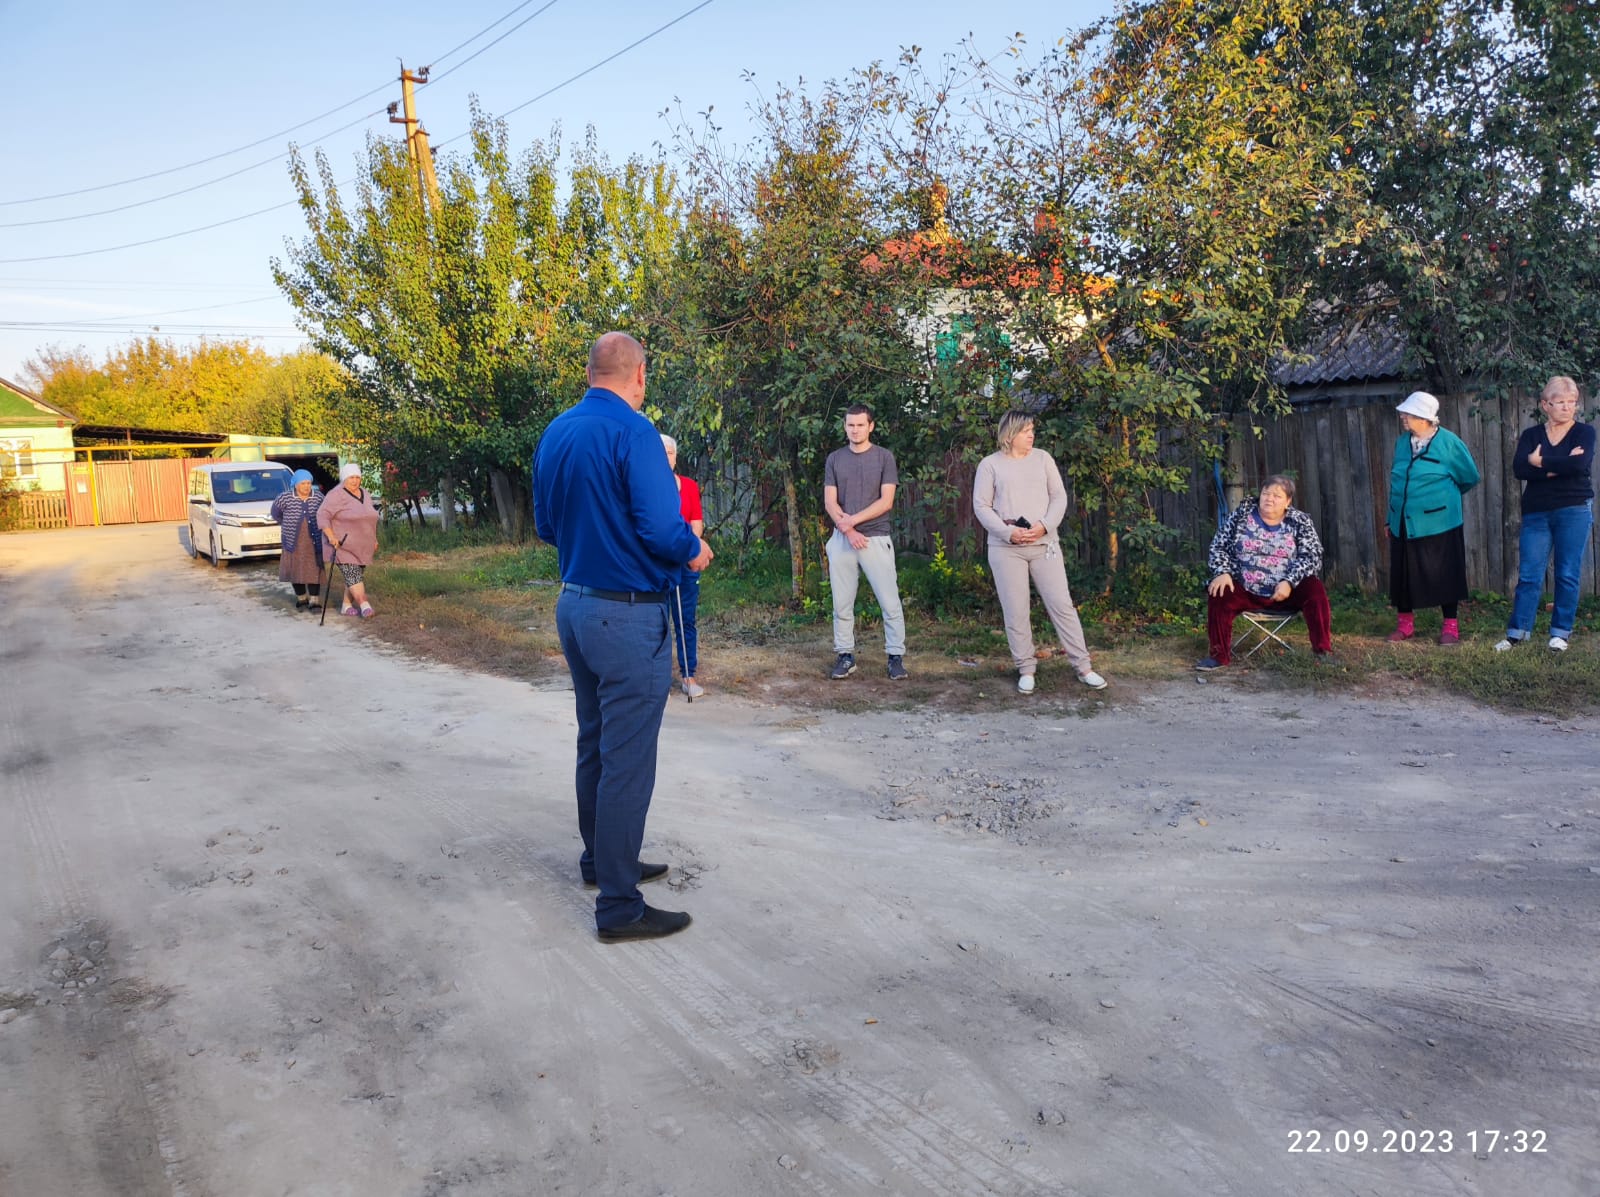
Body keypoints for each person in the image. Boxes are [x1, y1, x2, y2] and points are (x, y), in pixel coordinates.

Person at [533, 332, 713, 943]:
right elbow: (663, 529)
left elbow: (545, 525)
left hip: (575, 605)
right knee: (628, 761)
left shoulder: (557, 431)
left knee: (596, 743)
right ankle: (618, 906)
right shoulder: (635, 431)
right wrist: (694, 549)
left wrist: (596, 546)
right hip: (627, 615)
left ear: (591, 372)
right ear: (638, 375)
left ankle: (601, 862)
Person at [972, 409, 1107, 692]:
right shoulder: (990, 465)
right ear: (1010, 435)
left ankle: (1083, 666)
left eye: (1032, 429)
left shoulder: (1043, 458)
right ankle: (1026, 668)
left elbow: (1058, 496)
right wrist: (1008, 532)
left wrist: (1044, 526)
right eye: (1025, 430)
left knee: (1062, 605)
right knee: (1016, 610)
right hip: (1006, 548)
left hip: (1045, 545)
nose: (1031, 435)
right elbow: (981, 506)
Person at [1496, 375, 1594, 653]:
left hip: (1573, 509)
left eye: (1572, 402)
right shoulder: (1531, 435)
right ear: (1544, 404)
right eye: (1560, 402)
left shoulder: (1584, 433)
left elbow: (1580, 466)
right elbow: (1520, 470)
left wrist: (1541, 462)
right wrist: (1560, 465)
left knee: (1567, 573)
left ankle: (1560, 634)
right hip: (1537, 513)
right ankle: (1517, 633)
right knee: (1529, 574)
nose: (1567, 407)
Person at [1195, 475, 1334, 669]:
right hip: (1245, 589)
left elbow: (1312, 556)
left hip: (1285, 593)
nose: (1269, 498)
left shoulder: (1300, 522)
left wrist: (1289, 581)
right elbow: (1218, 546)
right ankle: (1219, 656)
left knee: (1314, 587)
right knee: (1220, 589)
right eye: (1266, 493)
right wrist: (1222, 571)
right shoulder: (1241, 516)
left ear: (1288, 502)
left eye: (1277, 496)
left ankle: (1322, 651)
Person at [1385, 391, 1481, 644]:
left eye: (1409, 413)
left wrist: (1440, 500)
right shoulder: (1401, 443)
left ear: (1425, 418)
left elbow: (1469, 477)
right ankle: (1405, 625)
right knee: (1403, 574)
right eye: (1404, 413)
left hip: (1440, 523)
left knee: (1445, 572)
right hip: (1402, 521)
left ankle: (1450, 627)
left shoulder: (1449, 443)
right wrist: (1389, 518)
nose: (1403, 417)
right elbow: (1397, 483)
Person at [823, 404, 908, 680]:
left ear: (871, 426)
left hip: (876, 538)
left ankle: (895, 657)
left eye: (860, 425)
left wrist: (853, 522)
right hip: (843, 539)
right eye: (850, 425)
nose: (855, 430)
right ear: (845, 426)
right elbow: (830, 502)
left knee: (890, 602)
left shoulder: (884, 457)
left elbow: (886, 501)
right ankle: (845, 655)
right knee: (842, 603)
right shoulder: (835, 459)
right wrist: (848, 531)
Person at [661, 433, 706, 698]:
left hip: (685, 563)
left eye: (670, 453)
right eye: (662, 452)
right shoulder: (648, 487)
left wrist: (688, 549)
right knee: (658, 622)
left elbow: (696, 523)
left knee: (685, 620)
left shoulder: (689, 485)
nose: (666, 457)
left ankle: (688, 675)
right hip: (658, 566)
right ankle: (657, 679)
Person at [316, 462, 381, 618]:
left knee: (355, 576)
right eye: (351, 477)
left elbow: (370, 518)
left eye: (358, 477)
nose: (355, 481)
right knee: (352, 574)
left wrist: (374, 538)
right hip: (341, 544)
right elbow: (322, 515)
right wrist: (331, 536)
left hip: (362, 544)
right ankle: (365, 605)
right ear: (344, 478)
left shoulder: (365, 493)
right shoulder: (335, 494)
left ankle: (346, 606)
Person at [270, 469, 325, 612]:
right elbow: (275, 514)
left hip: (314, 540)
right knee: (296, 570)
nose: (307, 486)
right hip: (292, 540)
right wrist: (287, 524)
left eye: (309, 483)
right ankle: (301, 598)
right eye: (303, 483)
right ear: (295, 484)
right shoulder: (285, 497)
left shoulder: (318, 497)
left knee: (314, 570)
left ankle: (314, 600)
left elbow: (325, 513)